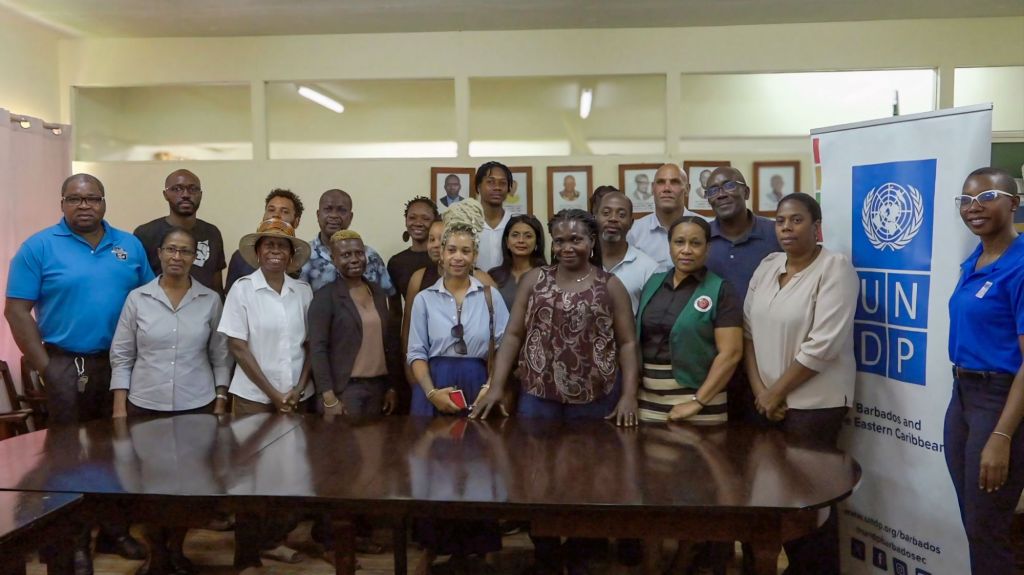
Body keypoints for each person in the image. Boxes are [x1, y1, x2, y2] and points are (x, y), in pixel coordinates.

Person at [473, 208, 640, 574]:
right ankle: (546, 553)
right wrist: (496, 386)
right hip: (538, 395)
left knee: (590, 478)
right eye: (560, 240)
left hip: (596, 398)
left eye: (576, 239)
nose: (567, 247)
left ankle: (581, 552)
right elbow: (513, 334)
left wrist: (629, 395)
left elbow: (628, 343)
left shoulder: (610, 285)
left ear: (591, 241)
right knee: (536, 476)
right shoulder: (535, 280)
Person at [5, 173, 151, 572]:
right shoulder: (38, 247)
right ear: (62, 204)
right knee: (68, 458)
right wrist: (46, 367)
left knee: (118, 450)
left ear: (104, 202)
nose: (84, 205)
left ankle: (114, 531)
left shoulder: (128, 245)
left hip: (119, 365)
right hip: (66, 363)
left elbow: (148, 300)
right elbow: (16, 311)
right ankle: (76, 542)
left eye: (92, 198)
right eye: (75, 199)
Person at [744, 192, 858, 575]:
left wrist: (776, 392)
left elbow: (823, 345)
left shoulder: (835, 268)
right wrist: (762, 393)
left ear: (816, 226)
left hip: (815, 406)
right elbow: (747, 333)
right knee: (777, 497)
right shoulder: (768, 265)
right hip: (767, 403)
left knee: (811, 500)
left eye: (797, 220)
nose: (787, 228)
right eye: (780, 221)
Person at [109, 226, 230, 575]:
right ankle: (157, 554)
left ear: (195, 258)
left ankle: (177, 549)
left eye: (185, 251)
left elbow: (220, 355)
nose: (178, 257)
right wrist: (120, 407)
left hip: (196, 405)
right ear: (160, 254)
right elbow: (122, 355)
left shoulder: (210, 300)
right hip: (145, 406)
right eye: (171, 250)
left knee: (189, 488)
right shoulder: (138, 299)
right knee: (147, 486)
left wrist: (220, 399)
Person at [406, 202, 510, 573]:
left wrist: (492, 387)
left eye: (466, 250)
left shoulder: (490, 295)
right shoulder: (424, 299)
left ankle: (479, 547)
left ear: (475, 255)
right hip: (434, 384)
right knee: (433, 466)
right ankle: (432, 546)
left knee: (479, 465)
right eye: (451, 249)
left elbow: (504, 346)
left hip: (477, 383)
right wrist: (430, 392)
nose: (458, 257)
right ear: (441, 253)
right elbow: (415, 352)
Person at [945, 167, 1024, 575]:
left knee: (986, 529)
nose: (974, 207)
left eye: (987, 197)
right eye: (966, 200)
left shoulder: (1020, 265)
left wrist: (1002, 435)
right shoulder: (975, 259)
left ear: (1014, 203)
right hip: (963, 398)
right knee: (974, 525)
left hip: (1001, 402)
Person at [636, 216, 742, 423]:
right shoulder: (653, 283)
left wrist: (698, 401)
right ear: (669, 246)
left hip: (701, 402)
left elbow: (731, 353)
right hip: (648, 402)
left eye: (695, 243)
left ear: (707, 248)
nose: (686, 250)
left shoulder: (721, 290)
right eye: (679, 242)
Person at [705, 166, 781, 424]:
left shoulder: (775, 234)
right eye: (713, 190)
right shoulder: (700, 239)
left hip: (769, 359)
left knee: (768, 440)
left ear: (746, 192)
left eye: (729, 185)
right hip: (716, 361)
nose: (721, 194)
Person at [219, 218, 314, 415]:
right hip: (253, 398)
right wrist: (273, 394)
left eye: (282, 246)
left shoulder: (303, 291)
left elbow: (311, 344)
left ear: (291, 255)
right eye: (269, 245)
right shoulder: (241, 289)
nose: (275, 251)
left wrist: (299, 389)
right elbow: (237, 347)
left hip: (299, 397)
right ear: (257, 252)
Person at [310, 230, 397, 416]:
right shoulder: (325, 297)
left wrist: (391, 387)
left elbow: (388, 342)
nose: (355, 259)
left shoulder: (378, 293)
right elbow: (317, 349)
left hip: (378, 388)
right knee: (345, 436)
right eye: (346, 255)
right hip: (345, 390)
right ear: (334, 259)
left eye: (359, 253)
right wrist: (328, 396)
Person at [133, 169, 226, 294]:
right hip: (157, 304)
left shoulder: (212, 233)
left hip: (203, 305)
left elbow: (217, 287)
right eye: (177, 189)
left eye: (193, 189)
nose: (186, 194)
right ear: (165, 194)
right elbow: (137, 283)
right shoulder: (145, 234)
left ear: (201, 194)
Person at [300, 188, 395, 295]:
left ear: (350, 217)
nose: (334, 215)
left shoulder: (370, 257)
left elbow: (387, 297)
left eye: (342, 210)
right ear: (318, 215)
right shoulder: (303, 256)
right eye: (328, 209)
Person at [626, 163, 703, 272]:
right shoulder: (634, 232)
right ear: (652, 188)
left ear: (687, 189)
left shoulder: (705, 227)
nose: (667, 188)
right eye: (661, 182)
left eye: (674, 182)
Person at [225, 189, 304, 292]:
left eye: (284, 211)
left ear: (296, 221)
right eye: (271, 210)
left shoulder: (302, 260)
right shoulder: (240, 258)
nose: (276, 215)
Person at [596, 190, 658, 315]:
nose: (613, 218)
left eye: (621, 215)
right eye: (606, 213)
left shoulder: (648, 268)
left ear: (631, 223)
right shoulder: (583, 262)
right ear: (595, 217)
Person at [486, 214, 547, 310]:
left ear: (537, 242)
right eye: (515, 235)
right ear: (507, 241)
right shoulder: (493, 276)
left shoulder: (547, 276)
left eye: (528, 236)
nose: (521, 240)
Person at [475, 161, 514, 272]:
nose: (497, 187)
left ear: (508, 188)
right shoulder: (466, 222)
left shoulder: (515, 223)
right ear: (478, 187)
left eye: (502, 183)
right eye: (490, 182)